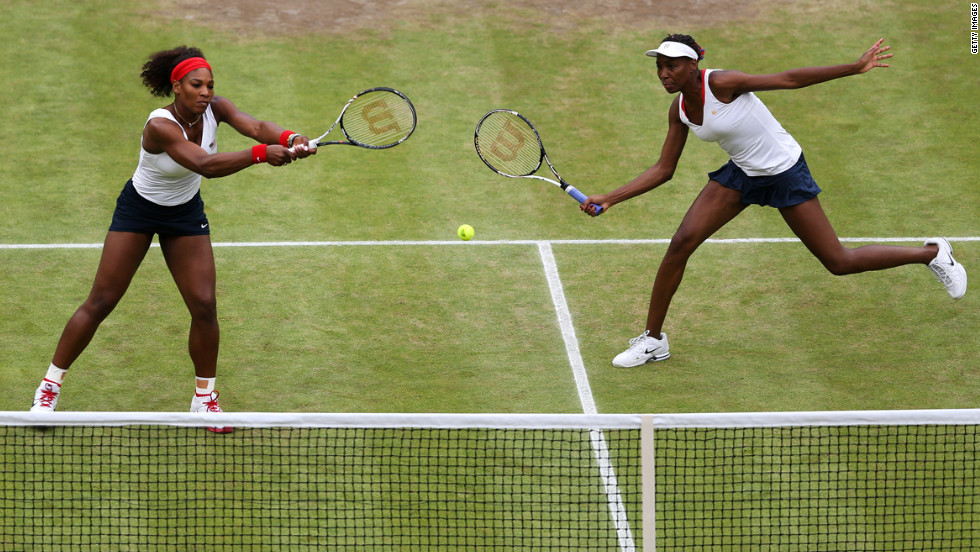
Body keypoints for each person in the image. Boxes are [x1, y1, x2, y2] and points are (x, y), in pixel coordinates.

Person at [582, 35, 967, 368]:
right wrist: (611, 198)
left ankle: (932, 253)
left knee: (839, 262)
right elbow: (664, 169)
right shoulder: (679, 109)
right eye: (660, 68)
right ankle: (653, 340)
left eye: (672, 66)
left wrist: (854, 67)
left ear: (692, 63)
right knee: (681, 243)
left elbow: (790, 79)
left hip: (784, 172)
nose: (664, 74)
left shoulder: (722, 82)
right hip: (742, 174)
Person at [29, 46, 315, 430]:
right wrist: (262, 154)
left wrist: (291, 136)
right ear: (176, 86)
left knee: (204, 304)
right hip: (139, 211)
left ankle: (204, 398)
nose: (206, 92)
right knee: (101, 300)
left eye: (210, 85)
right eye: (197, 85)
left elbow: (256, 125)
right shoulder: (160, 126)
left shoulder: (217, 109)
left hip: (184, 213)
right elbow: (205, 165)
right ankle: (48, 389)